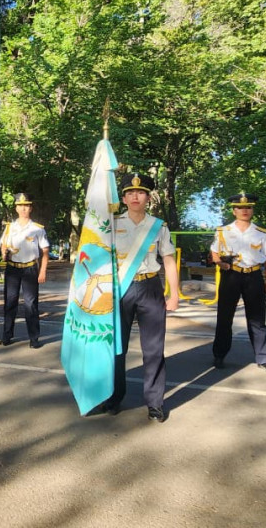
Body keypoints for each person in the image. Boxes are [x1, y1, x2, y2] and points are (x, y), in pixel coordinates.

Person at [92, 174, 180, 423]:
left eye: (140, 192)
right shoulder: (112, 223)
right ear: (123, 198)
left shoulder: (159, 226)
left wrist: (174, 294)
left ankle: (155, 403)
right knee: (115, 347)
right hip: (120, 289)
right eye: (130, 193)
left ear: (148, 198)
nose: (134, 196)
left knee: (153, 349)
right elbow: (98, 257)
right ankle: (113, 397)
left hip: (151, 287)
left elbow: (170, 260)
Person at [210, 192, 266, 375]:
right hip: (231, 275)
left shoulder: (261, 233)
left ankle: (263, 358)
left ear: (252, 210)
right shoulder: (223, 231)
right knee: (225, 317)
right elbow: (214, 253)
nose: (244, 210)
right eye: (240, 207)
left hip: (254, 276)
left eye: (248, 207)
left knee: (257, 319)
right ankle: (219, 354)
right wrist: (220, 263)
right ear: (234, 211)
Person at [0, 193, 50, 348]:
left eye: (26, 206)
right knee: (10, 302)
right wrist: (3, 252)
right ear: (16, 208)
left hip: (30, 268)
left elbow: (45, 251)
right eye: (20, 206)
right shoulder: (9, 228)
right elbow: (3, 244)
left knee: (31, 304)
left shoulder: (37, 229)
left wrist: (43, 271)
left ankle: (34, 338)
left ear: (31, 208)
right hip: (13, 268)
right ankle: (7, 335)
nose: (23, 209)